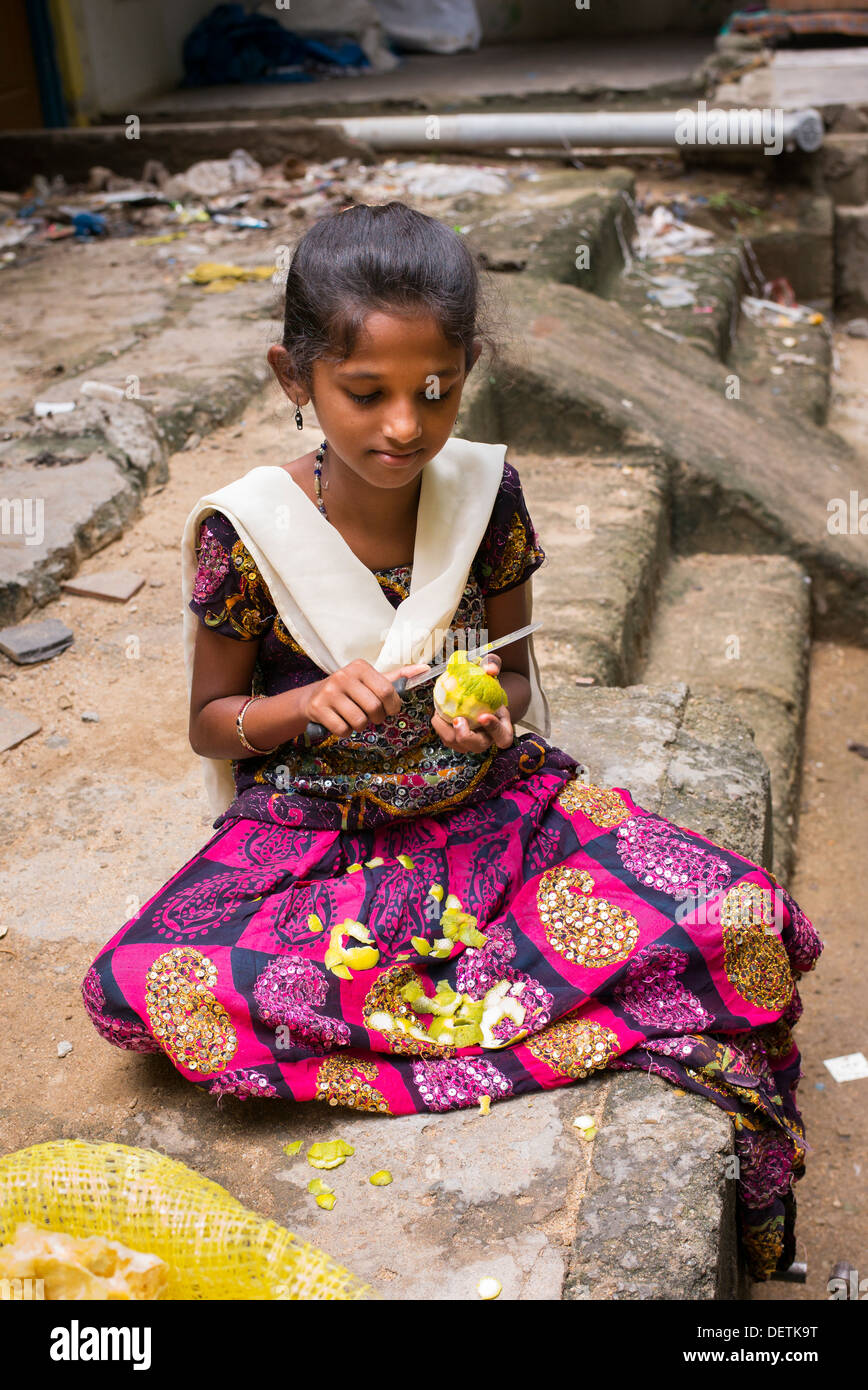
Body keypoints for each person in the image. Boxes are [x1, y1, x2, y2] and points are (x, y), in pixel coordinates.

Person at [82, 201, 821, 1282]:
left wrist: (491, 712)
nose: (403, 426)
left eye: (434, 390)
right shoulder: (243, 534)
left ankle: (446, 1016)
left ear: (466, 369)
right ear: (294, 378)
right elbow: (211, 721)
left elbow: (509, 669)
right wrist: (304, 707)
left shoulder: (486, 495)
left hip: (488, 804)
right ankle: (518, 1014)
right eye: (363, 392)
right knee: (147, 978)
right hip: (315, 828)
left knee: (741, 915)